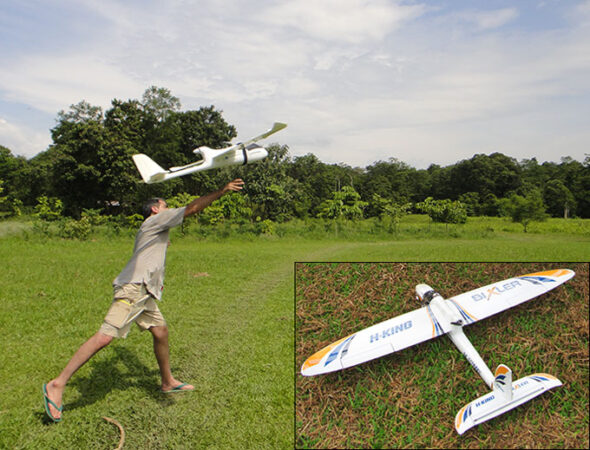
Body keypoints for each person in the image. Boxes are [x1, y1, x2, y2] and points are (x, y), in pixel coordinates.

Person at [43, 179, 245, 422]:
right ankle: (58, 383)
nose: (168, 209)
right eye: (165, 205)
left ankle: (168, 381)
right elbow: (192, 209)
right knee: (106, 335)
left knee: (160, 332)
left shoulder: (154, 229)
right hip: (133, 289)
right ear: (155, 209)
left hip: (145, 292)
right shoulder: (156, 220)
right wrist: (221, 191)